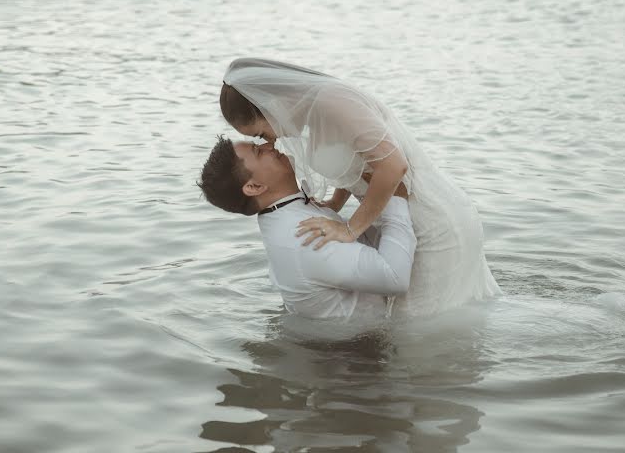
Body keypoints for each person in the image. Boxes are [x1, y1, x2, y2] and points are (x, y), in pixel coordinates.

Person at [219, 58, 501, 317]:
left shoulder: (332, 102)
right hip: (402, 219)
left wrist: (350, 228)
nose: (271, 141)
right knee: (423, 333)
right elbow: (355, 161)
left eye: (260, 133)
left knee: (420, 336)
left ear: (268, 103)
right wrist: (335, 204)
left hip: (428, 222)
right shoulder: (313, 111)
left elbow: (393, 166)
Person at [198, 135, 417, 320]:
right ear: (255, 187)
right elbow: (394, 278)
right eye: (258, 151)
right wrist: (396, 200)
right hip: (360, 358)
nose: (269, 146)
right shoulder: (302, 236)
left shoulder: (288, 213)